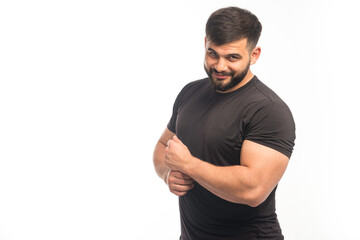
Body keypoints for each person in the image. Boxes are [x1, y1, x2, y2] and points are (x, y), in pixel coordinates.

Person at [153, 6, 295, 240]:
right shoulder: (190, 92)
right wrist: (168, 173)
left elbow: (254, 189)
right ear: (205, 43)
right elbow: (162, 146)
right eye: (213, 54)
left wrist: (189, 166)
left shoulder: (268, 110)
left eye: (232, 57)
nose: (220, 66)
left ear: (254, 54)